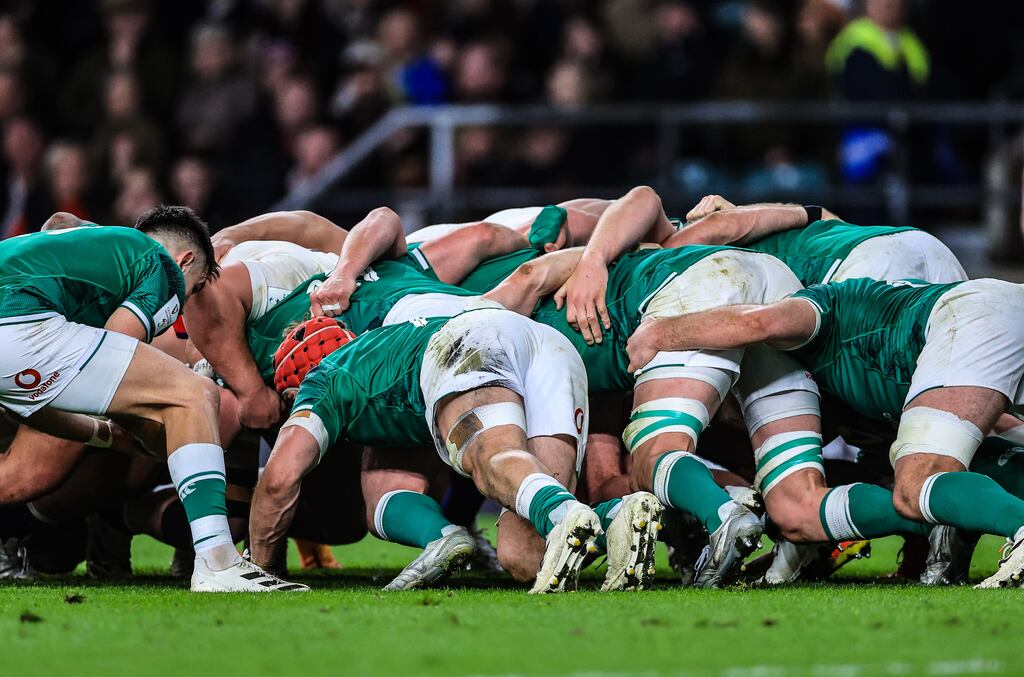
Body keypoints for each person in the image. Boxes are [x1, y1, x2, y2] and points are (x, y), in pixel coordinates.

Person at [623, 275, 1024, 589]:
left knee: (919, 481)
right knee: (936, 466)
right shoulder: (853, 387)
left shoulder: (824, 306)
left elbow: (760, 321)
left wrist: (660, 333)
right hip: (992, 313)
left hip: (975, 318)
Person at [0, 206, 304, 592]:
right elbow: (120, 342)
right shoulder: (161, 264)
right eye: (194, 290)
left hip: (18, 328)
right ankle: (217, 562)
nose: (186, 303)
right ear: (187, 260)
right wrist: (139, 422)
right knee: (195, 395)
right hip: (19, 323)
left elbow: (41, 408)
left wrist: (106, 436)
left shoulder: (83, 255)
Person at [250, 307, 659, 593]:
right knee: (524, 556)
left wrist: (263, 570)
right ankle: (617, 515)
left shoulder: (321, 382)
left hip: (467, 345)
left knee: (489, 458)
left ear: (290, 389)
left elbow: (279, 478)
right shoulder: (382, 343)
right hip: (545, 344)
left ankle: (561, 512)